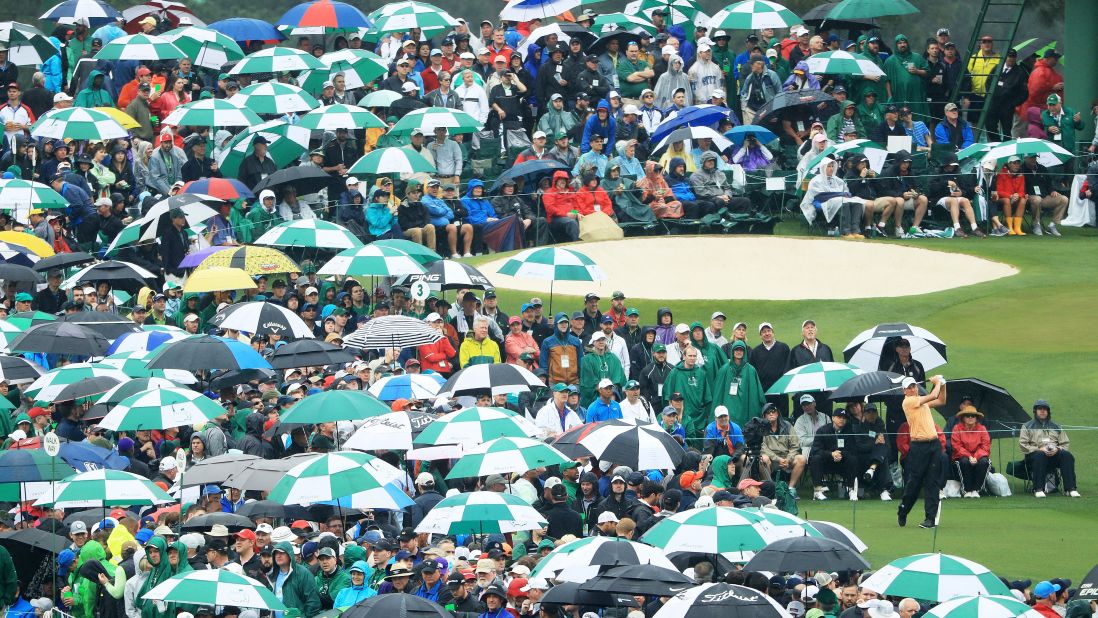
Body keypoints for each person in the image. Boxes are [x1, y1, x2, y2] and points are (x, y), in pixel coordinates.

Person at [897, 375, 947, 528]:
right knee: (915, 482)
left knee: (933, 482)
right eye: (909, 387)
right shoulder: (909, 401)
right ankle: (903, 509)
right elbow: (933, 395)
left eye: (914, 386)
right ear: (904, 391)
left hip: (934, 445)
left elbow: (941, 400)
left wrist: (943, 385)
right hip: (919, 447)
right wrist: (937, 382)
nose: (913, 389)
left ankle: (930, 519)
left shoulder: (921, 401)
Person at [1019, 399, 1079, 498]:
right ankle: (1038, 489)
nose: (1042, 411)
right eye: (1040, 409)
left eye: (1045, 409)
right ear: (1035, 411)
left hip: (1054, 455)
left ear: (1048, 412)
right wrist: (1039, 449)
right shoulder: (1027, 426)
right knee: (1040, 455)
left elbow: (1065, 443)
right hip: (1034, 457)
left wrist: (1057, 449)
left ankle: (1071, 489)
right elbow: (1023, 445)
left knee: (1067, 455)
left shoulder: (1056, 426)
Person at [809, 408, 860, 501]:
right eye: (839, 417)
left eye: (844, 418)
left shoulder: (849, 431)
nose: (842, 419)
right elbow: (815, 450)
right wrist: (831, 454)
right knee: (815, 459)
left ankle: (851, 489)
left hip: (843, 462)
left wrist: (840, 454)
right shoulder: (822, 431)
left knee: (853, 459)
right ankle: (817, 490)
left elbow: (853, 449)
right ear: (833, 418)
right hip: (826, 462)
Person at [758, 403, 806, 488]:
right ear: (764, 416)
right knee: (763, 459)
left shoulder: (787, 425)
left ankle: (790, 488)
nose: (771, 414)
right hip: (771, 459)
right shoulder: (761, 428)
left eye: (773, 411)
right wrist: (778, 459)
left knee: (801, 459)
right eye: (768, 413)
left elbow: (795, 445)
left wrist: (788, 459)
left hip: (787, 457)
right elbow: (763, 448)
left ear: (777, 413)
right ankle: (771, 488)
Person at [950, 406, 990, 498]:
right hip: (961, 455)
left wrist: (976, 456)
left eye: (973, 416)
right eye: (968, 416)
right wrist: (969, 456)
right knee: (964, 462)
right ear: (963, 418)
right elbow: (956, 446)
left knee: (984, 462)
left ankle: (977, 490)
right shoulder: (957, 428)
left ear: (976, 418)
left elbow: (986, 446)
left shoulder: (982, 428)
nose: (970, 418)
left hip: (979, 455)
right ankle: (967, 490)